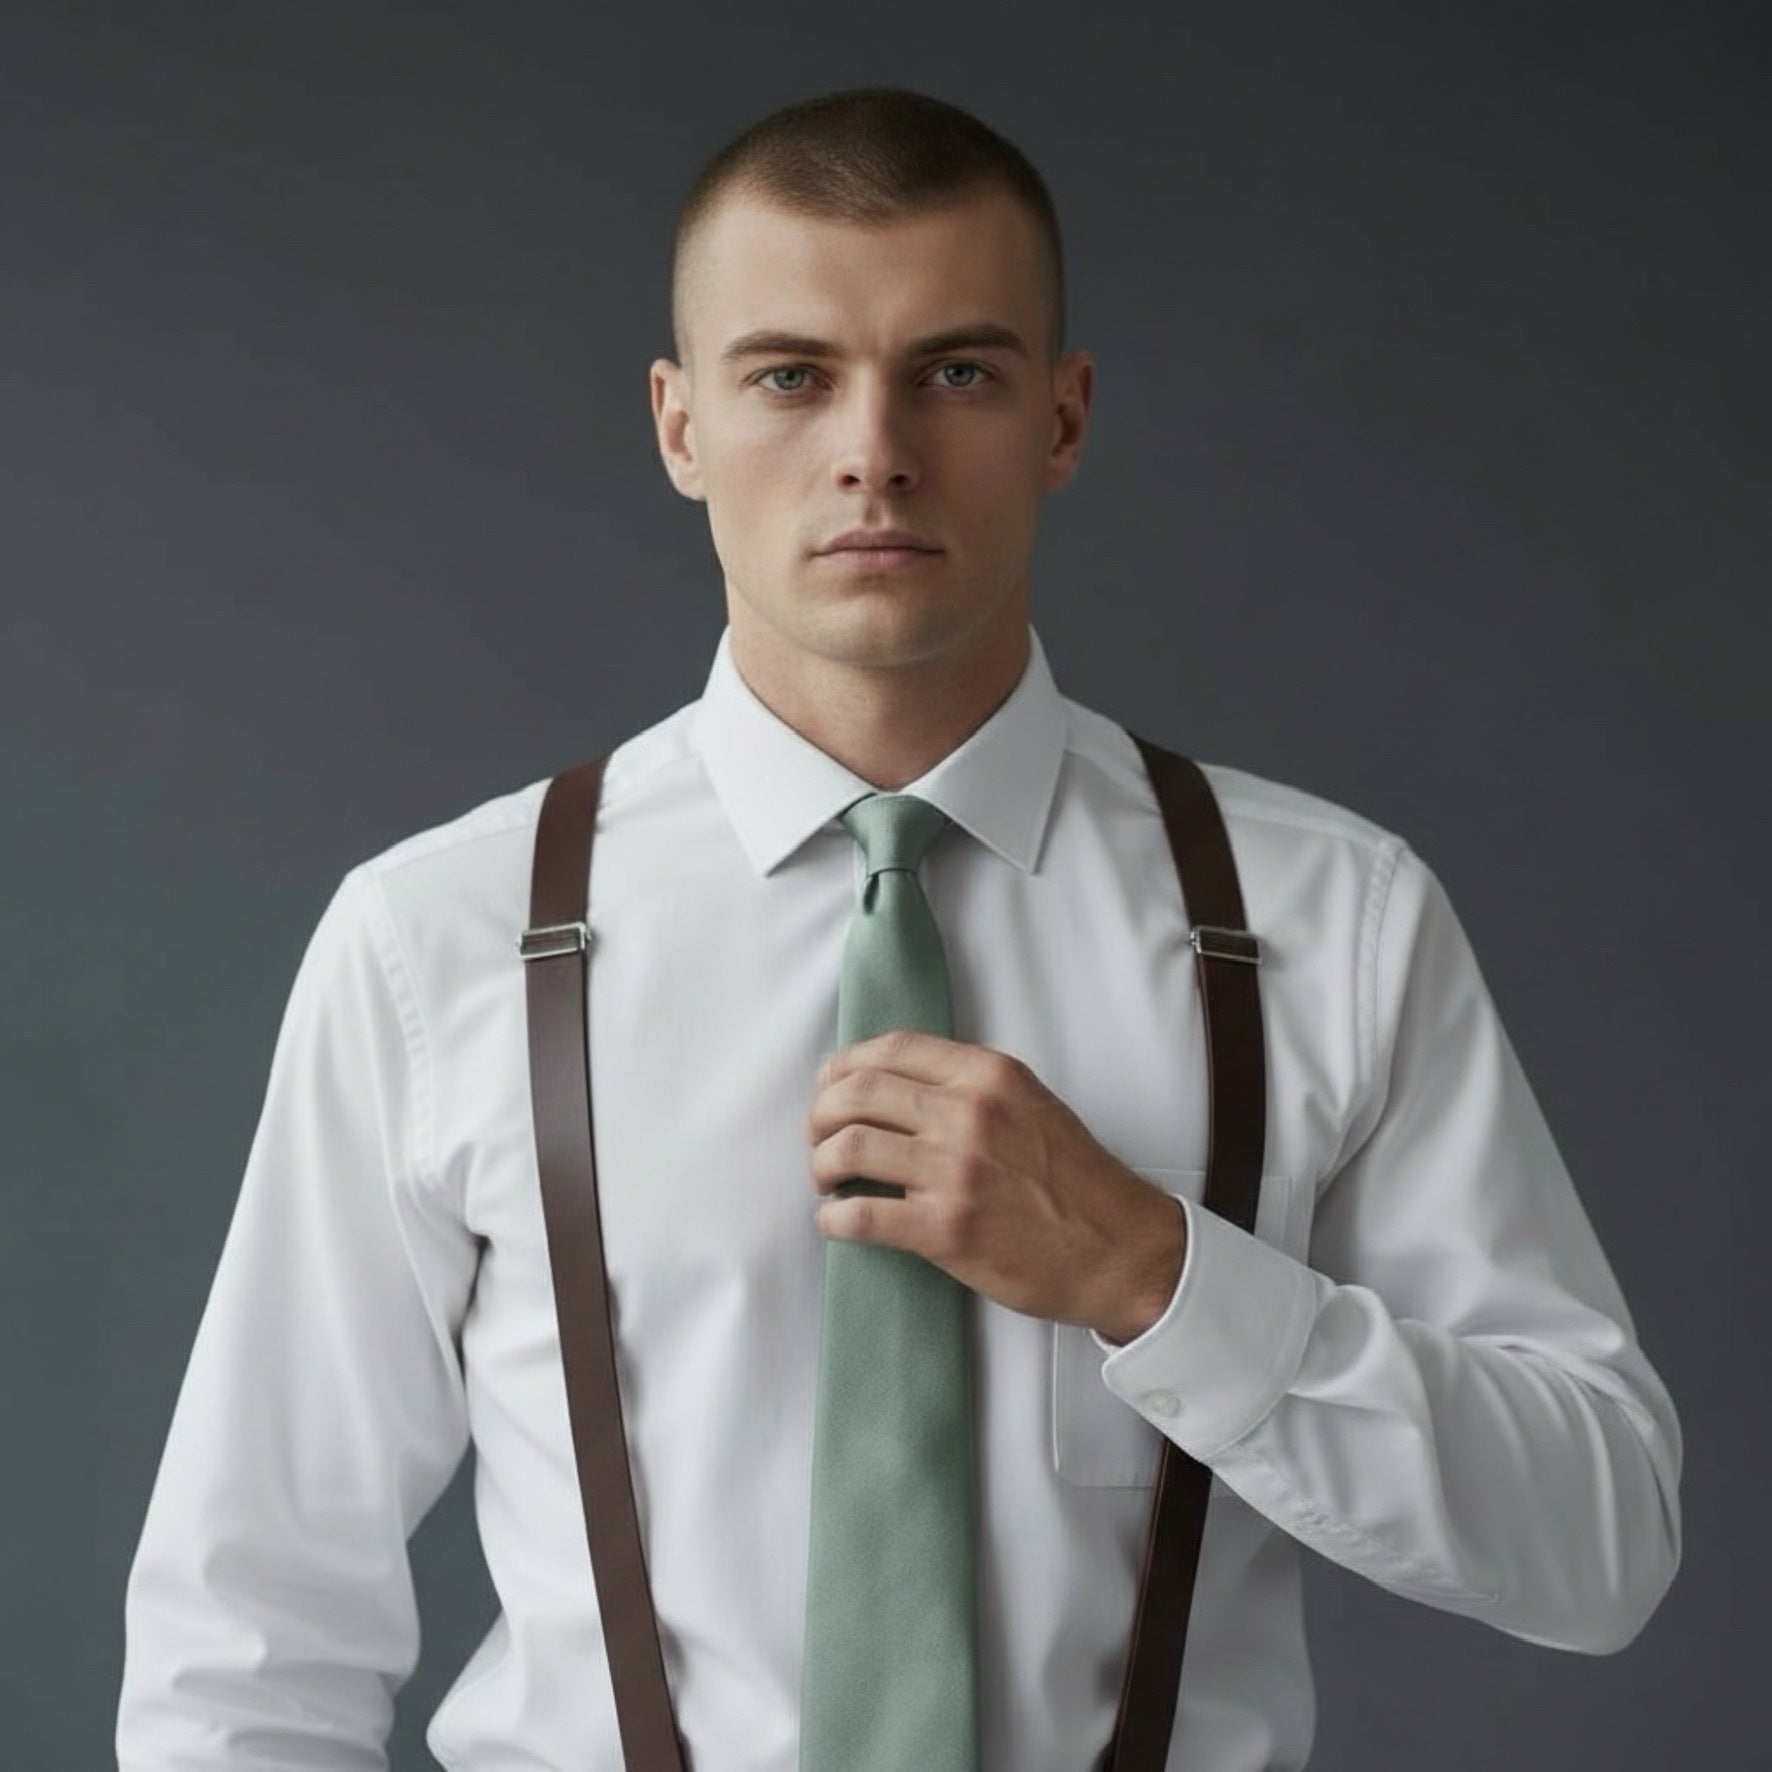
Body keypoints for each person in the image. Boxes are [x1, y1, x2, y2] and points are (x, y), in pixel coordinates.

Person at [117, 85, 1682, 1771]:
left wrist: (1154, 1275)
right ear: (680, 426)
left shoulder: (1332, 918)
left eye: (958, 370)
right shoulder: (443, 942)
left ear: (1064, 419)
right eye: (790, 374)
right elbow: (246, 1645)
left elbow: (1599, 1547)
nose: (875, 448)